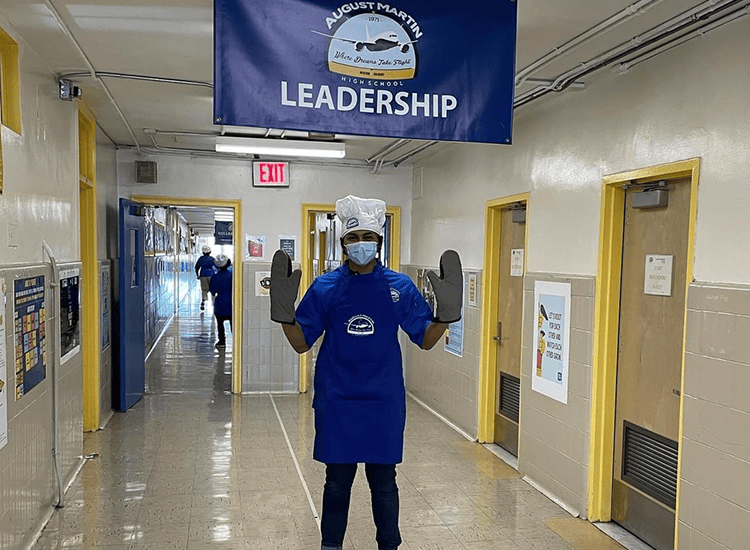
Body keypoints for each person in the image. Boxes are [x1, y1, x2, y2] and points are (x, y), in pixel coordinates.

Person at [270, 195, 463, 550]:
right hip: (337, 397)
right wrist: (283, 314)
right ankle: (331, 546)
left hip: (383, 399)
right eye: (354, 238)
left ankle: (389, 545)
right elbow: (301, 343)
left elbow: (425, 339)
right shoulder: (326, 287)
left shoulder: (399, 287)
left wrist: (444, 317)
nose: (362, 245)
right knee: (337, 481)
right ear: (343, 242)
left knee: (384, 481)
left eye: (369, 238)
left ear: (379, 242)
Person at [209, 254, 232, 348]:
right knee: (233, 322)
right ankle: (236, 339)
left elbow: (213, 291)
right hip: (231, 302)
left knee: (220, 323)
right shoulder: (232, 275)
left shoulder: (215, 277)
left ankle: (222, 341)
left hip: (220, 303)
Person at [195, 245, 217, 310]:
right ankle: (214, 303)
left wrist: (197, 275)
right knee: (212, 289)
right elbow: (216, 267)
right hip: (211, 275)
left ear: (203, 252)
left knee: (204, 289)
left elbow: (197, 267)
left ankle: (203, 302)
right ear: (210, 252)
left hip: (203, 275)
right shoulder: (212, 259)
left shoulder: (201, 259)